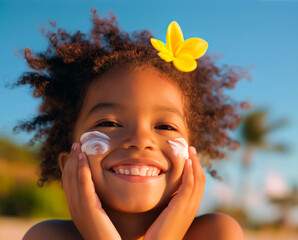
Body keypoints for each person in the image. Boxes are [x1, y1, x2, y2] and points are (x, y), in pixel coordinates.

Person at [18, 9, 249, 240]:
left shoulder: (217, 233)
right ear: (68, 163)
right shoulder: (47, 236)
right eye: (109, 123)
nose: (140, 140)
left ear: (192, 159)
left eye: (165, 127)